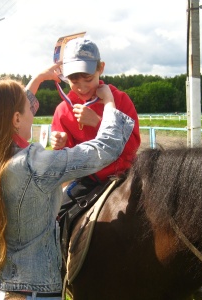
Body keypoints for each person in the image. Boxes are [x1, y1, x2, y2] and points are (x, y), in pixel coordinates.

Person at [0, 62, 135, 300]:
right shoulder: (34, 164)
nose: (35, 110)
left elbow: (2, 110)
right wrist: (110, 101)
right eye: (29, 108)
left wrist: (40, 78)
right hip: (33, 293)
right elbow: (105, 148)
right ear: (16, 119)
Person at [51, 37, 141, 203]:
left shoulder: (120, 100)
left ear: (101, 68)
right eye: (74, 81)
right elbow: (62, 162)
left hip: (126, 177)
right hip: (87, 181)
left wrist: (99, 122)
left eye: (88, 79)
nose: (82, 87)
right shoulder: (63, 111)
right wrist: (60, 144)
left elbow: (132, 147)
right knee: (58, 215)